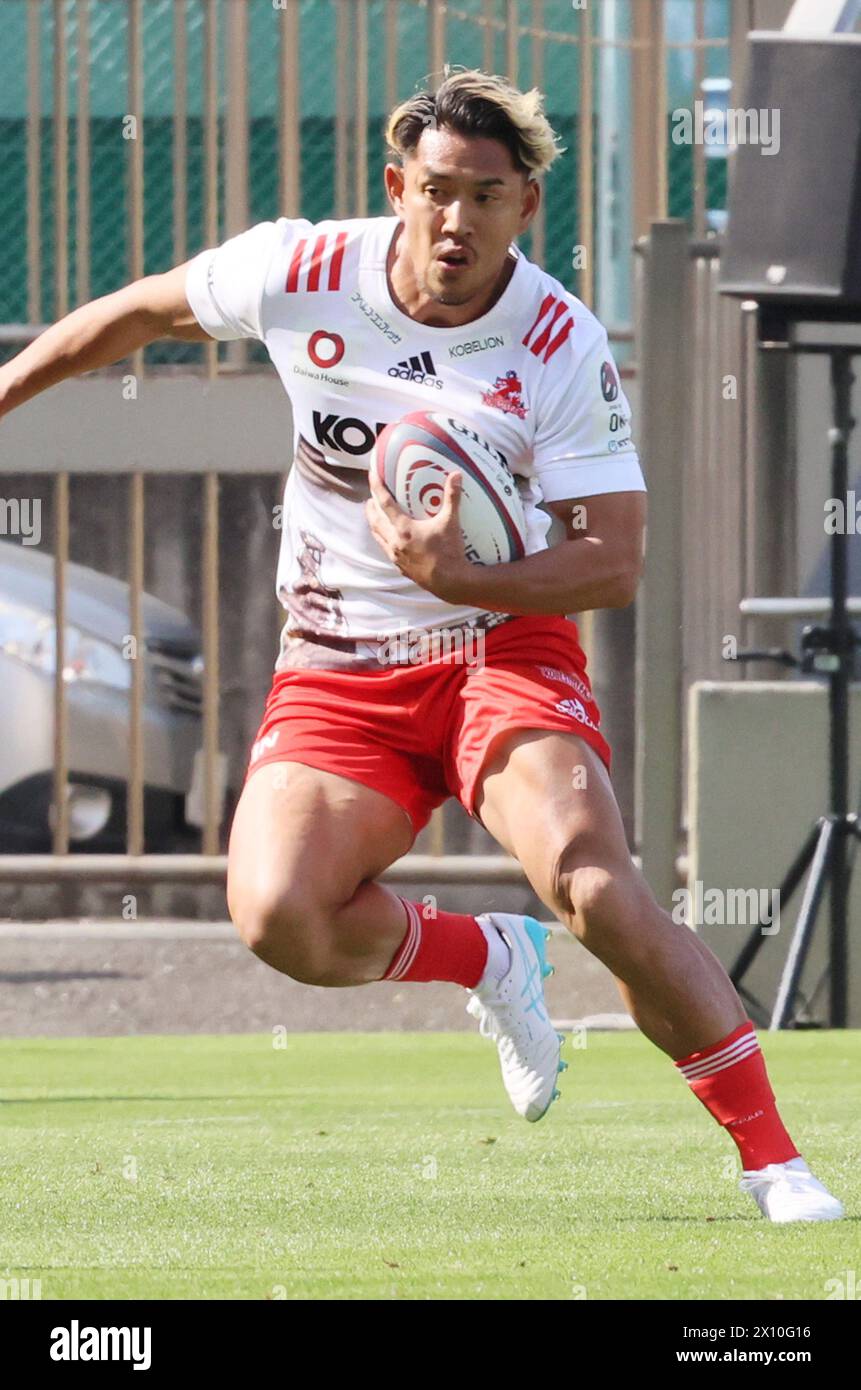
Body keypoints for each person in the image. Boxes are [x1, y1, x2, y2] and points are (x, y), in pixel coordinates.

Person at [0, 68, 841, 1223]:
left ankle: (775, 1159)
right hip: (340, 659)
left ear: (526, 206)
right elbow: (141, 310)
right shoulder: (301, 268)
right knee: (280, 916)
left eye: (487, 197)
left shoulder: (556, 337)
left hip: (502, 646)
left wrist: (467, 577)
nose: (457, 221)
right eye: (437, 190)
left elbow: (614, 559)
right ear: (398, 186)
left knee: (594, 886)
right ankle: (493, 958)